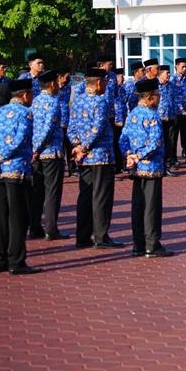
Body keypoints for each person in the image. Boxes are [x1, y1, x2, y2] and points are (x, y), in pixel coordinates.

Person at [119, 78, 174, 258]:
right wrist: (139, 156)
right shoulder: (152, 115)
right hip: (151, 167)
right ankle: (152, 244)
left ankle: (138, 245)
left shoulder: (133, 113)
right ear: (150, 97)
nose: (159, 99)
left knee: (138, 206)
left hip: (135, 168)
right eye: (157, 95)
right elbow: (155, 142)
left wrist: (129, 155)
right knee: (151, 207)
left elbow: (123, 139)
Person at [68, 68, 122, 249]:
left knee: (85, 195)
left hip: (83, 157)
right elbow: (98, 128)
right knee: (101, 197)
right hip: (100, 155)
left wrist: (76, 146)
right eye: (105, 82)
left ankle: (82, 237)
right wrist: (84, 147)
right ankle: (100, 236)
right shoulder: (100, 101)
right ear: (98, 82)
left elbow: (72, 127)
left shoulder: (78, 100)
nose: (106, 85)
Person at [0, 80, 41, 274]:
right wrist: (1, 155)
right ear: (25, 95)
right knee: (18, 216)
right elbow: (19, 139)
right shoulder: (25, 113)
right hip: (16, 170)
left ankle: (0, 259)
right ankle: (16, 261)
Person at [30, 70, 67, 241]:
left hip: (36, 154)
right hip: (50, 152)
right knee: (52, 191)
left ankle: (35, 226)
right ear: (52, 84)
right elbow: (48, 128)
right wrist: (38, 148)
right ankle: (51, 228)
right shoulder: (53, 102)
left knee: (37, 191)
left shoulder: (35, 101)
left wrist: (33, 149)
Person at [171, 57, 186, 165]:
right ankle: (173, 159)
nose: (185, 69)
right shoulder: (172, 80)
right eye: (182, 66)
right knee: (173, 138)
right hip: (175, 113)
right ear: (176, 67)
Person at [157, 65, 176, 176]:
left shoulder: (171, 85)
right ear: (160, 74)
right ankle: (159, 166)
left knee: (169, 143)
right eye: (166, 73)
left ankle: (166, 167)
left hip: (170, 117)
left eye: (169, 73)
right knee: (160, 143)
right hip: (159, 119)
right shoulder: (156, 85)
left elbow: (175, 99)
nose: (168, 75)